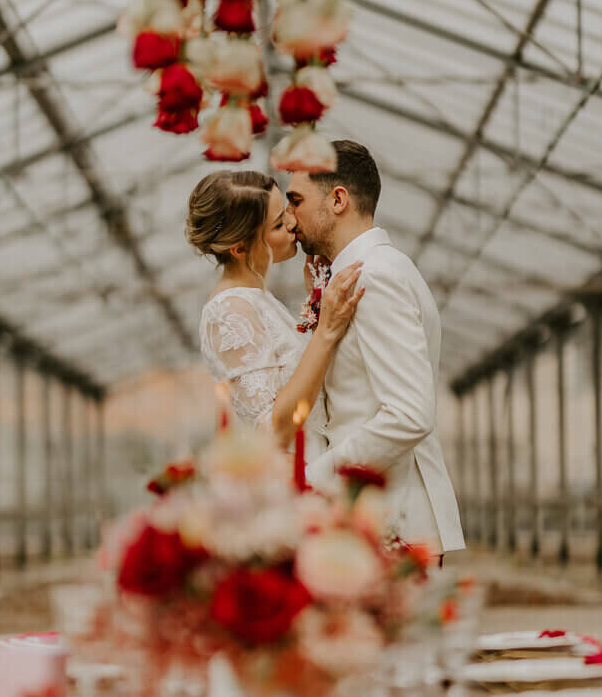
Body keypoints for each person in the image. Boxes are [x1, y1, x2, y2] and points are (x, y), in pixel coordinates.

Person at [285, 140, 465, 555]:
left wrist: (315, 478)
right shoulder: (355, 274)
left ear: (337, 199)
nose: (290, 218)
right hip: (372, 517)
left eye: (295, 201)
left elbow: (408, 414)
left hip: (394, 521)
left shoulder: (377, 275)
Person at [186, 169, 363, 454]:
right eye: (279, 224)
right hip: (294, 476)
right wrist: (326, 332)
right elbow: (274, 431)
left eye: (288, 212)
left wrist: (315, 301)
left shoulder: (257, 300)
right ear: (240, 248)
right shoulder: (228, 312)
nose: (293, 223)